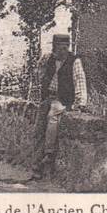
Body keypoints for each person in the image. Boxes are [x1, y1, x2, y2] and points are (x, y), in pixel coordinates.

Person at [31, 33, 88, 180]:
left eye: (63, 48)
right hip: (47, 97)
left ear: (67, 47)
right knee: (38, 127)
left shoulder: (74, 61)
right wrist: (41, 64)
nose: (59, 51)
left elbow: (80, 81)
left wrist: (80, 103)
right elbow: (38, 75)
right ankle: (36, 165)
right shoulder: (50, 59)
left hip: (62, 100)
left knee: (53, 116)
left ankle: (49, 154)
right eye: (56, 47)